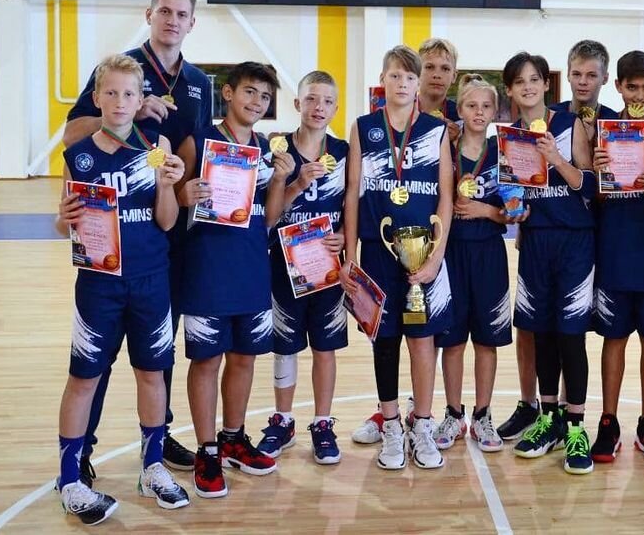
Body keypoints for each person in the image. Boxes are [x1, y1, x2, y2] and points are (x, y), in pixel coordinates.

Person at [62, 0, 211, 481]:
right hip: (116, 234)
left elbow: (198, 148)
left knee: (158, 347)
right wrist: (130, 109)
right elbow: (73, 133)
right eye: (164, 11)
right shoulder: (120, 69)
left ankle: (158, 438)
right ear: (150, 15)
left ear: (192, 23)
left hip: (170, 228)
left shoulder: (198, 81)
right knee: (99, 352)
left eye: (181, 14)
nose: (172, 21)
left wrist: (188, 189)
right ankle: (82, 448)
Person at [55, 54, 190, 524]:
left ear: (140, 101)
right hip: (98, 284)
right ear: (96, 98)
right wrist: (62, 220)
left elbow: (167, 221)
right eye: (110, 92)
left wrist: (168, 186)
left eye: (129, 93)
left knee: (152, 374)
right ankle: (69, 479)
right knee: (84, 378)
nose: (119, 101)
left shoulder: (156, 147)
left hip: (151, 280)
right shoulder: (78, 155)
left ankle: (152, 467)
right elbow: (64, 224)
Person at [173, 62, 290, 498]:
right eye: (249, 92)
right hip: (207, 267)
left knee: (244, 358)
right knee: (207, 361)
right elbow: (171, 197)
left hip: (252, 266)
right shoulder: (199, 140)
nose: (256, 102)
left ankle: (233, 438)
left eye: (264, 96)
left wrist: (280, 180)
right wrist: (182, 194)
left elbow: (270, 218)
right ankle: (206, 450)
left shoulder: (264, 149)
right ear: (228, 93)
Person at [341, 45, 455, 470]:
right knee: (384, 340)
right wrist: (350, 255)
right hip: (377, 251)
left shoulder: (436, 130)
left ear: (418, 83)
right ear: (383, 80)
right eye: (395, 75)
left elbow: (446, 198)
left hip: (422, 254)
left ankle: (421, 424)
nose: (403, 83)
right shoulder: (364, 127)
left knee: (423, 341)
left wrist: (436, 256)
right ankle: (390, 424)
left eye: (410, 77)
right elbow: (352, 193)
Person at [498, 38, 614, 442]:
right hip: (535, 240)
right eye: (519, 82)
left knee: (570, 334)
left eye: (534, 79)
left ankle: (576, 426)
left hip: (575, 240)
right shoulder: (509, 136)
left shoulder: (568, 124)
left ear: (546, 84)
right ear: (510, 90)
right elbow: (512, 192)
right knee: (541, 332)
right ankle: (548, 419)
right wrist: (514, 211)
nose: (528, 87)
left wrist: (557, 159)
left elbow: (591, 185)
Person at [256, 70, 350, 466]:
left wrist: (344, 237)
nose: (318, 107)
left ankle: (323, 422)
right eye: (311, 99)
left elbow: (354, 206)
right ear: (297, 103)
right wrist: (294, 183)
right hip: (285, 264)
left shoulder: (344, 152)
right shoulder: (277, 151)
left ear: (335, 109)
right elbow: (268, 217)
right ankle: (283, 419)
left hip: (327, 265)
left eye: (327, 101)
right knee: (285, 347)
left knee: (325, 348)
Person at [589, 51, 644, 465]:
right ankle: (608, 422)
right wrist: (598, 174)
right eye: (633, 87)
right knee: (615, 337)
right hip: (615, 244)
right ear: (618, 86)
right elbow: (591, 196)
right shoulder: (601, 130)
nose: (640, 95)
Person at [431, 74, 521, 453]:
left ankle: (483, 415)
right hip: (450, 253)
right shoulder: (444, 148)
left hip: (488, 253)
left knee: (487, 340)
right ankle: (454, 413)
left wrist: (486, 210)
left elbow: (516, 210)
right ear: (461, 109)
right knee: (451, 341)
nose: (479, 112)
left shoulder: (506, 150)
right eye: (471, 105)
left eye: (486, 106)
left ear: (496, 111)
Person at [417, 37, 462, 142]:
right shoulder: (402, 111)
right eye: (429, 67)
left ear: (454, 76)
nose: (437, 75)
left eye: (445, 69)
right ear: (417, 71)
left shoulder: (461, 116)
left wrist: (458, 142)